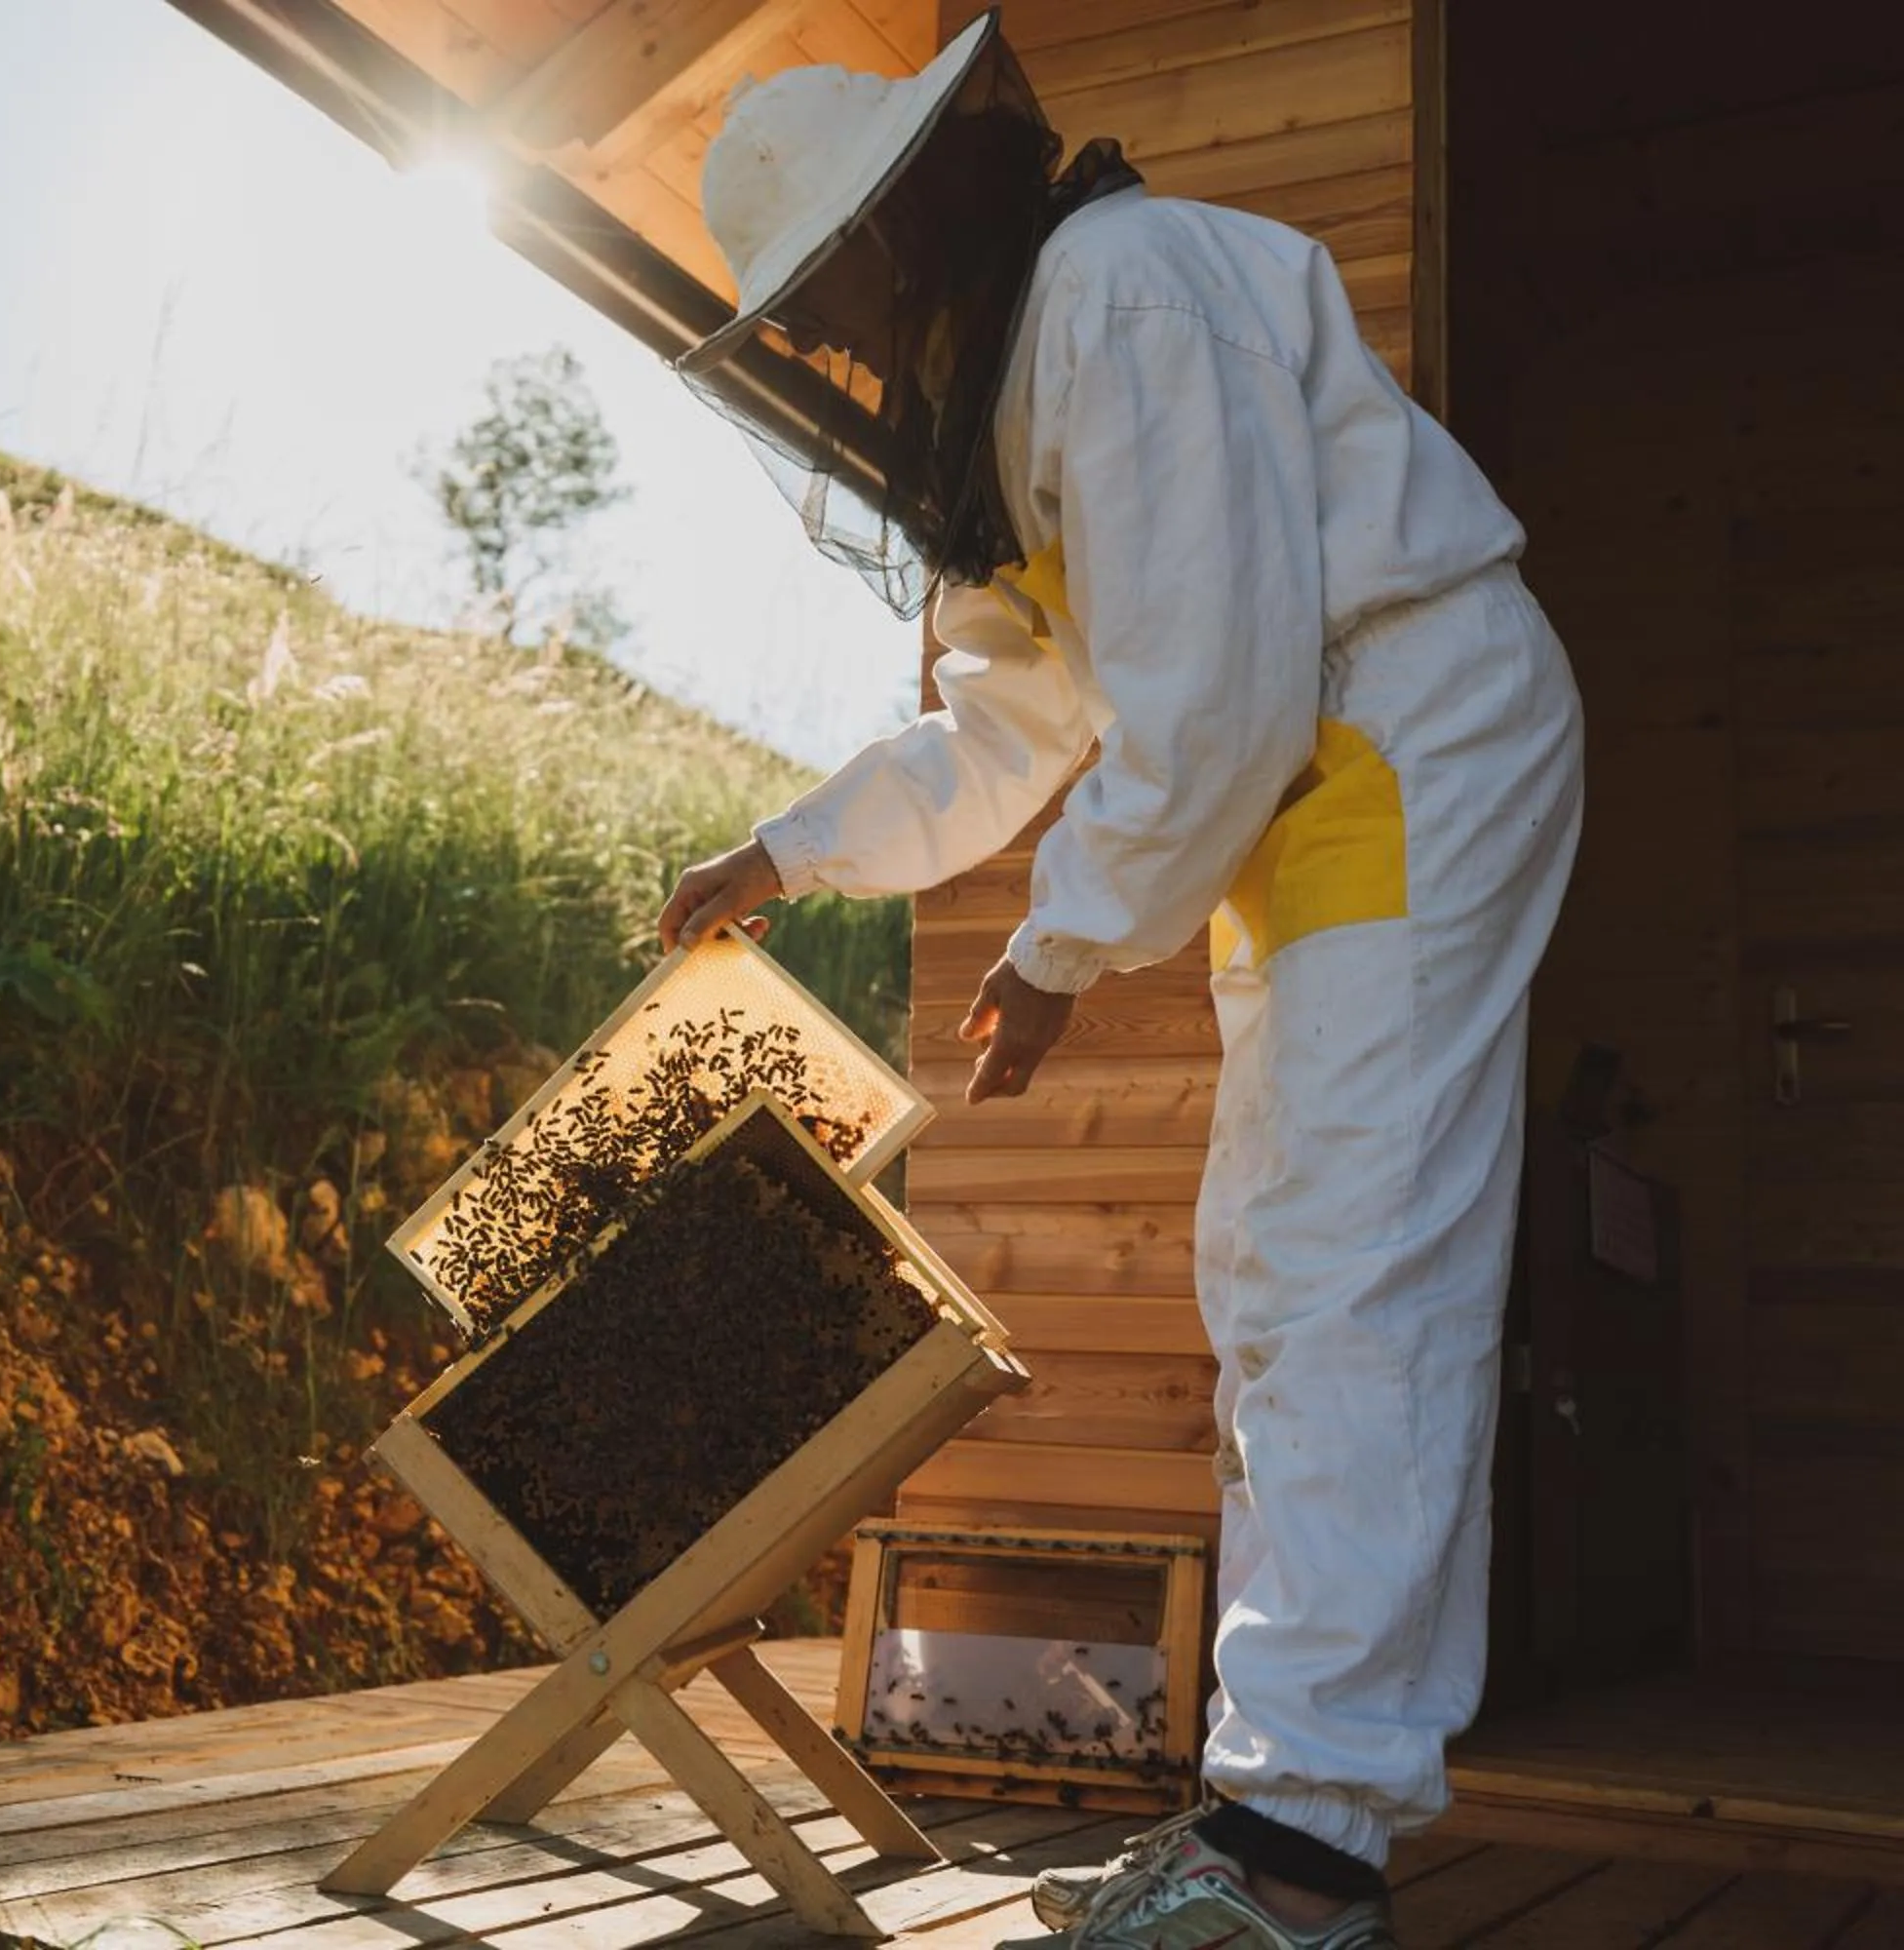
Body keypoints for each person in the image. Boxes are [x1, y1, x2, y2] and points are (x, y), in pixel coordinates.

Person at [653, 13, 1582, 1949]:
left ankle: (1301, 1860)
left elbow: (1221, 684)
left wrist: (1066, 946)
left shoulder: (1120, 295)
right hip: (1318, 794)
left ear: (907, 221)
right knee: (1272, 1281)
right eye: (798, 323)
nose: (824, 346)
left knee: (1350, 1275)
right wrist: (788, 847)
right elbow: (999, 742)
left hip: (1400, 732)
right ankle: (1271, 1813)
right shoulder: (1000, 436)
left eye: (824, 293)